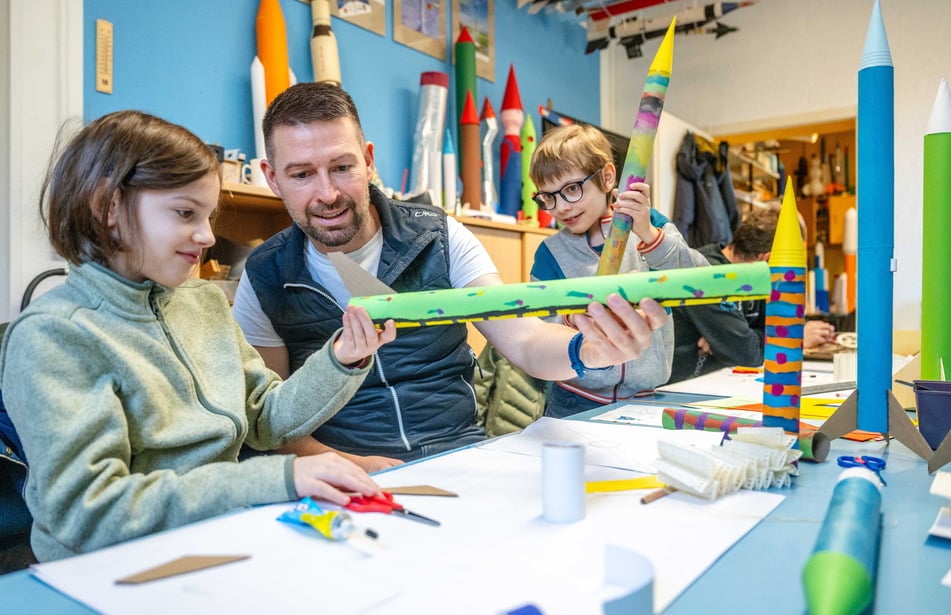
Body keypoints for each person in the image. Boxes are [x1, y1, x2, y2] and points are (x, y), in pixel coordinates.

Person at [0, 110, 391, 562]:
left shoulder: (203, 303)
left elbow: (266, 419)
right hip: (117, 570)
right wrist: (276, 478)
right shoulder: (54, 337)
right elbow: (87, 512)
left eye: (207, 215)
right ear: (106, 207)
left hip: (219, 539)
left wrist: (342, 357)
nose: (207, 236)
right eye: (186, 213)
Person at [232, 83, 668, 469]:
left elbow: (525, 340)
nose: (327, 193)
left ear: (368, 161)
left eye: (342, 167)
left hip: (459, 455)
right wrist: (352, 465)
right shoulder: (264, 275)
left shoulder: (438, 235)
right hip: (341, 476)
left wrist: (589, 350)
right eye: (302, 174)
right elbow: (273, 419)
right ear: (272, 178)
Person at [528, 124, 710, 418]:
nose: (561, 207)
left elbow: (700, 281)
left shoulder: (649, 224)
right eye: (548, 197)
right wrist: (573, 317)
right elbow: (537, 328)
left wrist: (651, 236)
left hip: (647, 396)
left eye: (572, 189)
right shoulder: (550, 254)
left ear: (607, 176)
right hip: (574, 399)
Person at [668, 204, 836, 384]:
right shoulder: (708, 274)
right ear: (768, 258)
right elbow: (747, 353)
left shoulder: (757, 281)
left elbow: (772, 324)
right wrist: (794, 338)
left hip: (713, 384)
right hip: (671, 391)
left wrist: (727, 341)